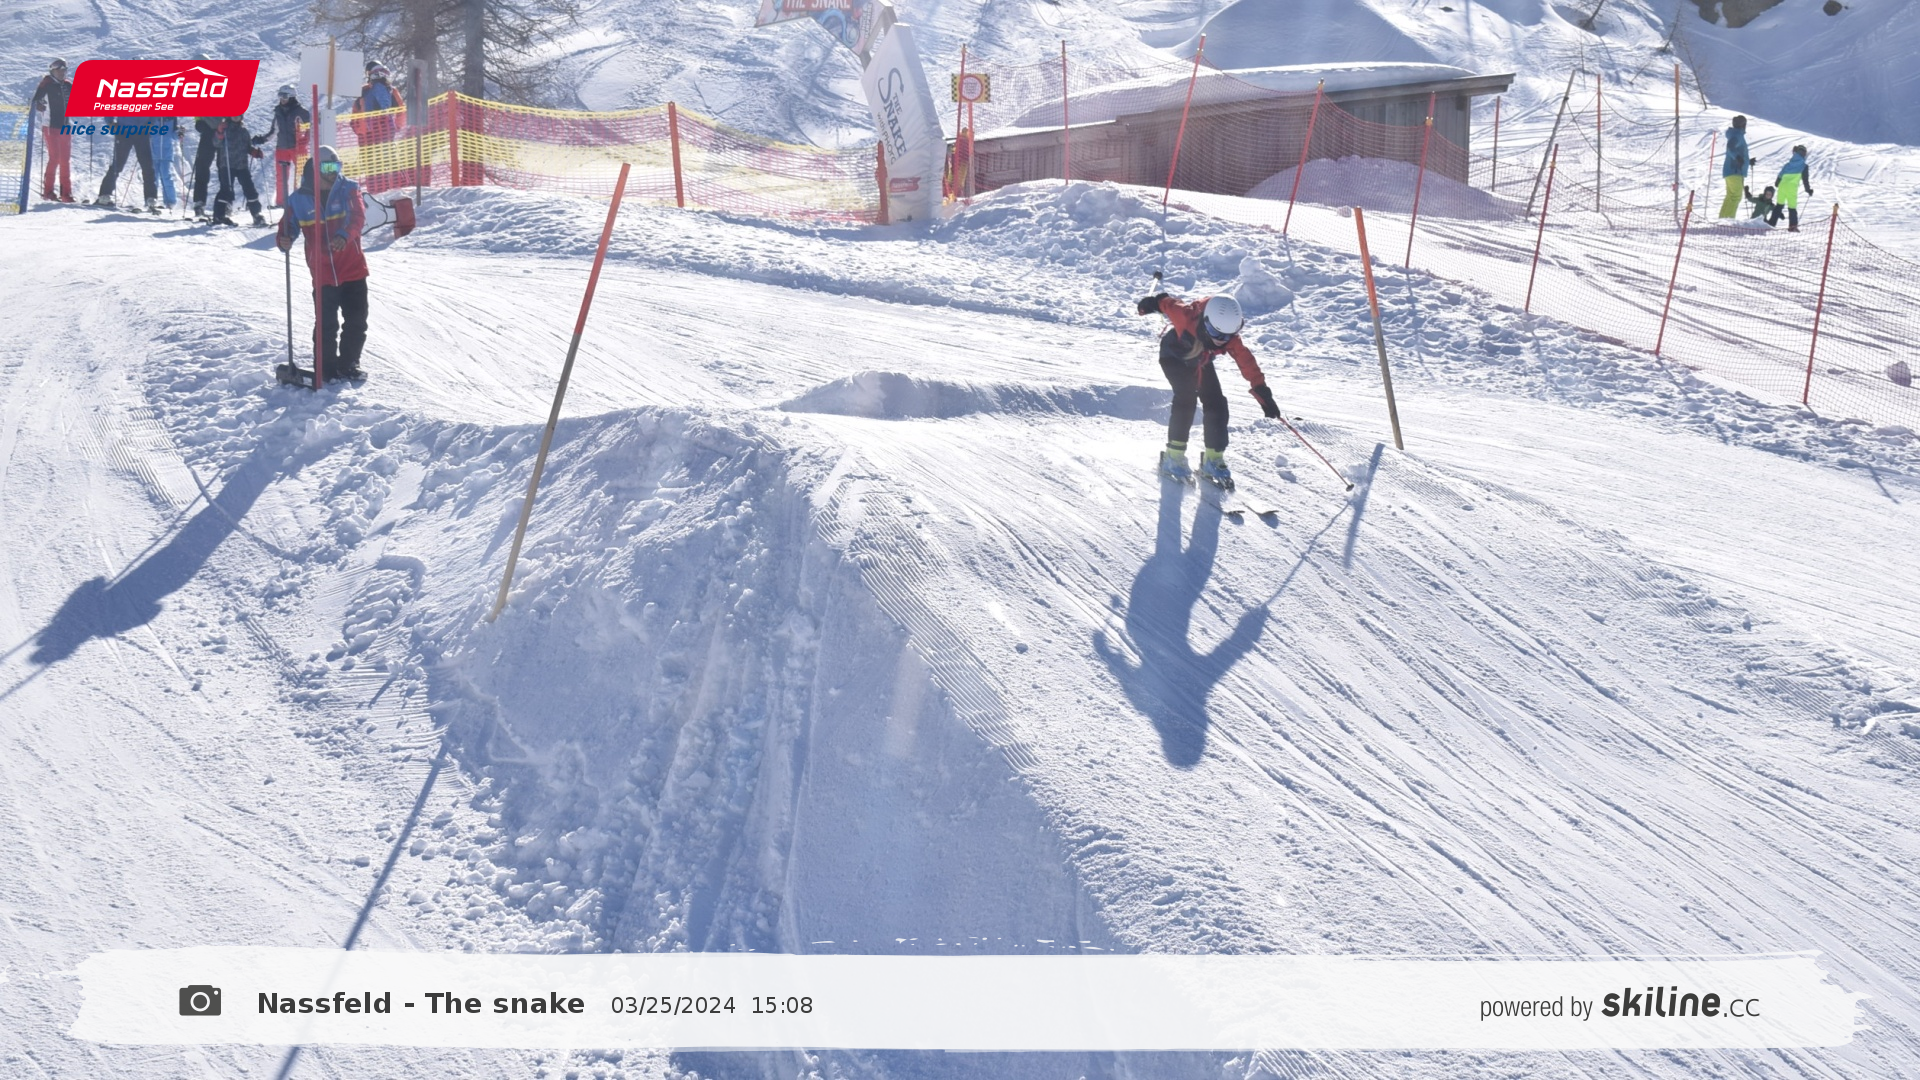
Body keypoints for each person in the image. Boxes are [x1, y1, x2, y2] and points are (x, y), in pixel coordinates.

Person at [1135, 291, 1281, 488]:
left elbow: (1247, 362)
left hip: (1200, 361)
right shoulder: (1186, 316)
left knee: (1217, 402)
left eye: (1227, 335)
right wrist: (1153, 302)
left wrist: (1262, 391)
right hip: (1173, 357)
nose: (1221, 340)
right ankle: (1173, 457)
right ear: (1205, 321)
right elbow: (1168, 303)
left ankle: (1213, 458)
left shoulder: (1229, 337)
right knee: (1186, 398)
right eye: (1216, 333)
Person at [278, 146, 370, 382]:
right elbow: (287, 227)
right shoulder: (298, 200)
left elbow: (358, 217)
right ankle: (325, 368)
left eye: (336, 166)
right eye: (328, 167)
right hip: (322, 272)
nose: (333, 173)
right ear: (315, 170)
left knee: (356, 320)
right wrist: (284, 238)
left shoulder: (349, 189)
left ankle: (349, 364)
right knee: (326, 325)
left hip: (353, 268)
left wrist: (344, 235)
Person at [252, 85, 311, 206]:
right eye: (280, 96)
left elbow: (309, 129)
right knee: (281, 177)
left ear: (292, 97)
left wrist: (304, 142)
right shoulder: (278, 112)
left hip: (298, 148)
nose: (282, 99)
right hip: (282, 148)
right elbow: (274, 131)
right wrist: (262, 139)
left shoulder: (301, 112)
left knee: (302, 174)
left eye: (285, 96)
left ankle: (302, 201)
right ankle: (281, 202)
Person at [30, 58, 74, 202]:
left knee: (65, 160)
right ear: (52, 71)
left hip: (65, 127)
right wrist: (39, 104)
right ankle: (48, 192)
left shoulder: (67, 84)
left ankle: (66, 193)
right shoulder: (47, 83)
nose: (62, 73)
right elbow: (35, 100)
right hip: (50, 126)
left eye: (64, 70)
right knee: (54, 158)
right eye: (58, 70)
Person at [211, 116, 267, 226]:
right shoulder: (225, 129)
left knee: (249, 189)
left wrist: (254, 152)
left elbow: (247, 147)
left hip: (241, 165)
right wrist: (219, 133)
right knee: (226, 190)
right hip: (227, 165)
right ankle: (219, 215)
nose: (236, 117)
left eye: (238, 115)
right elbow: (216, 143)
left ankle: (256, 214)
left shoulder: (244, 131)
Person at [92, 120, 158, 211]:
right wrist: (110, 122)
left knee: (147, 166)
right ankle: (104, 195)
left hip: (142, 131)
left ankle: (150, 198)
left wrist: (151, 122)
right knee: (117, 165)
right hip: (124, 131)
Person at [1775, 144, 1814, 232]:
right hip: (1791, 188)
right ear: (1804, 154)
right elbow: (1805, 180)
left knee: (1779, 206)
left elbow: (1780, 174)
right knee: (1792, 207)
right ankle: (1792, 227)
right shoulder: (1804, 166)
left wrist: (1777, 183)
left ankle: (1771, 223)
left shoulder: (1788, 164)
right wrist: (1808, 190)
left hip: (1782, 186)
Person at [1718, 114, 1750, 220]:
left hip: (1731, 170)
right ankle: (1728, 221)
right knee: (1735, 196)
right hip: (1735, 170)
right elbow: (1730, 148)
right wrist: (1737, 158)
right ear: (1743, 125)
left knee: (1730, 196)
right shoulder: (1737, 135)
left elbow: (1738, 152)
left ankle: (1723, 220)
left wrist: (1748, 161)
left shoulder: (1735, 134)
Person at [190, 115, 221, 219]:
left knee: (225, 168)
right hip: (208, 131)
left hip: (224, 132)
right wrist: (199, 122)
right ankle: (199, 202)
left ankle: (225, 202)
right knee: (202, 166)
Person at [149, 120, 181, 211]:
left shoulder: (171, 119)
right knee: (153, 178)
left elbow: (174, 136)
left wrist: (179, 133)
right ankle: (151, 199)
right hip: (153, 153)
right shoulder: (153, 118)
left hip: (166, 154)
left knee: (166, 176)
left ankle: (170, 202)